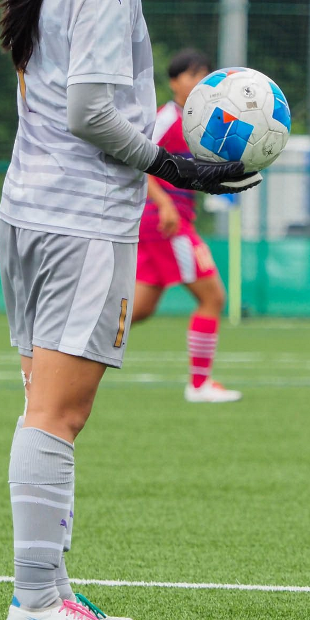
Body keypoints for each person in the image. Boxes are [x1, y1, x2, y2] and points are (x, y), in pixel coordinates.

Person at [0, 0, 259, 620]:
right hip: (80, 223)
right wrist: (178, 164)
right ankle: (36, 601)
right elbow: (92, 115)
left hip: (27, 212)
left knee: (43, 405)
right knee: (59, 417)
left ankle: (47, 589)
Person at [132, 49, 241, 403]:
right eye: (192, 75)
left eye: (204, 74)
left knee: (140, 309)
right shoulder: (166, 118)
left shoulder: (201, 123)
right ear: (174, 82)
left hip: (166, 223)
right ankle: (199, 385)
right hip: (166, 223)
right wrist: (163, 203)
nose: (199, 81)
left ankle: (67, 345)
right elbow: (137, 161)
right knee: (213, 297)